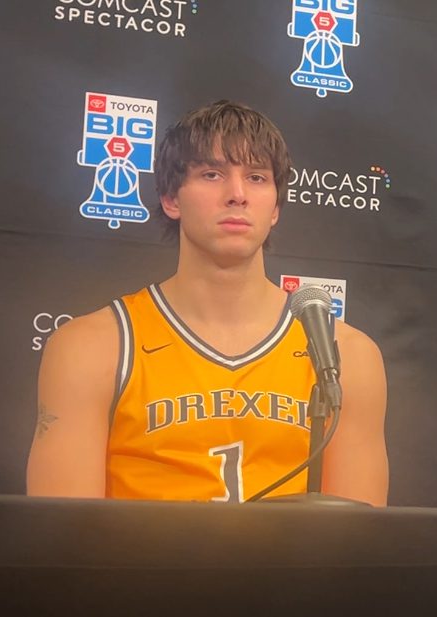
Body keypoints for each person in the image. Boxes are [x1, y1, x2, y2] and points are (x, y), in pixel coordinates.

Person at [27, 100, 388, 505]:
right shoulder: (92, 347)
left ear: (276, 208)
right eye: (212, 174)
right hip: (142, 570)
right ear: (171, 199)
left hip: (289, 572)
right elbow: (63, 548)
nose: (236, 195)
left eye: (256, 177)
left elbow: (358, 549)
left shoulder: (346, 356)